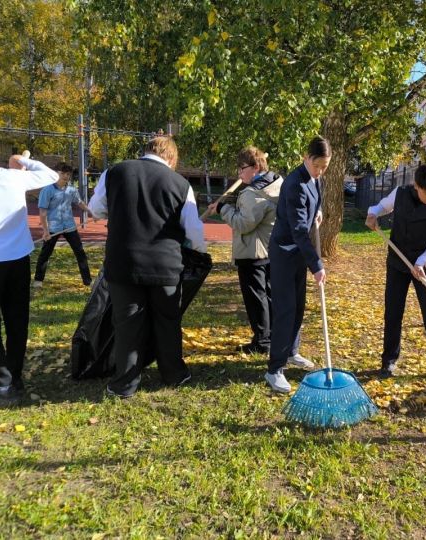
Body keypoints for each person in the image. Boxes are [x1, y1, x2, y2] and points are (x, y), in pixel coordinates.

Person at [88, 136, 206, 398]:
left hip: (123, 263)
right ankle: (174, 373)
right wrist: (200, 251)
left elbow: (96, 210)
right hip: (165, 264)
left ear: (146, 151)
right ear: (172, 158)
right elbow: (194, 231)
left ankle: (125, 383)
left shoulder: (114, 172)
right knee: (167, 320)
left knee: (127, 323)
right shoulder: (180, 184)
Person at [0, 140, 59, 408]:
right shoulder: (12, 178)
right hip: (17, 259)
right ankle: (14, 378)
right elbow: (51, 175)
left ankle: (2, 384)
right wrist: (22, 160)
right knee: (17, 320)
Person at [365, 163, 426, 385]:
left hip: (425, 265)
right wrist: (373, 214)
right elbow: (382, 206)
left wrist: (422, 262)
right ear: (417, 186)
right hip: (398, 262)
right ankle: (388, 361)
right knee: (393, 312)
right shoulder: (400, 194)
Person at [265, 136, 331, 393]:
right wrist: (317, 264)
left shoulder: (315, 178)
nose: (321, 171)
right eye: (318, 166)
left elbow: (317, 195)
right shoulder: (294, 185)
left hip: (297, 254)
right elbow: (300, 232)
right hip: (284, 251)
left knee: (299, 306)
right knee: (285, 309)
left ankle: (292, 351)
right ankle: (274, 369)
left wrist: (319, 210)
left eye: (326, 166)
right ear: (306, 158)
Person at [204, 146, 283, 354]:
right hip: (269, 250)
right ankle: (271, 336)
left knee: (257, 300)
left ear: (256, 167)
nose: (239, 174)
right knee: (267, 295)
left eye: (242, 169)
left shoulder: (253, 193)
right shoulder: (276, 183)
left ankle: (262, 341)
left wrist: (223, 209)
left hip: (252, 252)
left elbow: (243, 224)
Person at [33, 163, 93, 288]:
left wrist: (92, 213)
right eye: (62, 173)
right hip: (53, 228)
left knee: (80, 252)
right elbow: (43, 213)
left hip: (69, 226)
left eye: (68, 174)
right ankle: (38, 280)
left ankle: (87, 281)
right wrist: (46, 231)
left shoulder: (72, 190)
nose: (65, 176)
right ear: (56, 174)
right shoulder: (47, 190)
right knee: (45, 254)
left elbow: (80, 203)